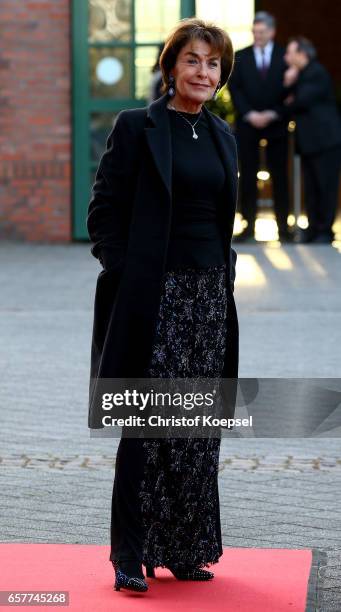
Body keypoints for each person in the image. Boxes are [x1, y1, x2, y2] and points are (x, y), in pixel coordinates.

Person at [87, 18, 239, 594]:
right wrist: (125, 271)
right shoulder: (136, 127)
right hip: (154, 296)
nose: (204, 72)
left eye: (213, 64)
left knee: (197, 427)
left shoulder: (223, 136)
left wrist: (223, 280)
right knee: (146, 426)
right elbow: (103, 212)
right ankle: (130, 552)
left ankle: (182, 548)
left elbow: (224, 220)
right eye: (194, 61)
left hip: (207, 299)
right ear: (171, 66)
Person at [229, 11, 292, 242]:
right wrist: (249, 114)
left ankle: (284, 229)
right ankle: (248, 228)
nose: (258, 36)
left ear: (272, 32)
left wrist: (274, 113)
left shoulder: (285, 56)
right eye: (255, 32)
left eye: (262, 32)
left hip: (277, 124)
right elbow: (235, 89)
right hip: (248, 125)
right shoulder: (241, 56)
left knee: (280, 176)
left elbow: (290, 93)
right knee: (247, 175)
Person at [283, 37, 341, 243]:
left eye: (290, 53)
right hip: (310, 142)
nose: (286, 58)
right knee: (311, 187)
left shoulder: (316, 73)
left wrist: (290, 86)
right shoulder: (303, 75)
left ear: (302, 54)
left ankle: (325, 231)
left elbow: (299, 101)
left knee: (325, 186)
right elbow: (292, 101)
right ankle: (314, 230)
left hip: (325, 141)